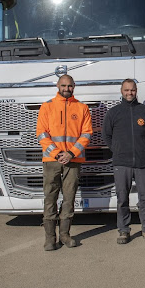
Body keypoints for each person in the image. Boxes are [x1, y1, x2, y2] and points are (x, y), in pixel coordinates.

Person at [36, 75, 92, 251]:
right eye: (63, 85)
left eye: (70, 86)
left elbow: (86, 134)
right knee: (50, 197)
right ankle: (50, 238)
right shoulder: (47, 107)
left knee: (69, 197)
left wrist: (71, 153)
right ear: (58, 86)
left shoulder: (82, 108)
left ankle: (65, 235)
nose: (67, 88)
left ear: (74, 86)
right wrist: (57, 153)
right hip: (52, 160)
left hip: (73, 160)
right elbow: (42, 134)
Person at [103, 79, 145, 244]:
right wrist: (118, 150)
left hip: (142, 162)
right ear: (121, 91)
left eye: (132, 90)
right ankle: (124, 230)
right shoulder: (114, 113)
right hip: (121, 163)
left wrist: (143, 148)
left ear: (136, 90)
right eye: (126, 90)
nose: (129, 93)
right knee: (122, 198)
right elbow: (106, 136)